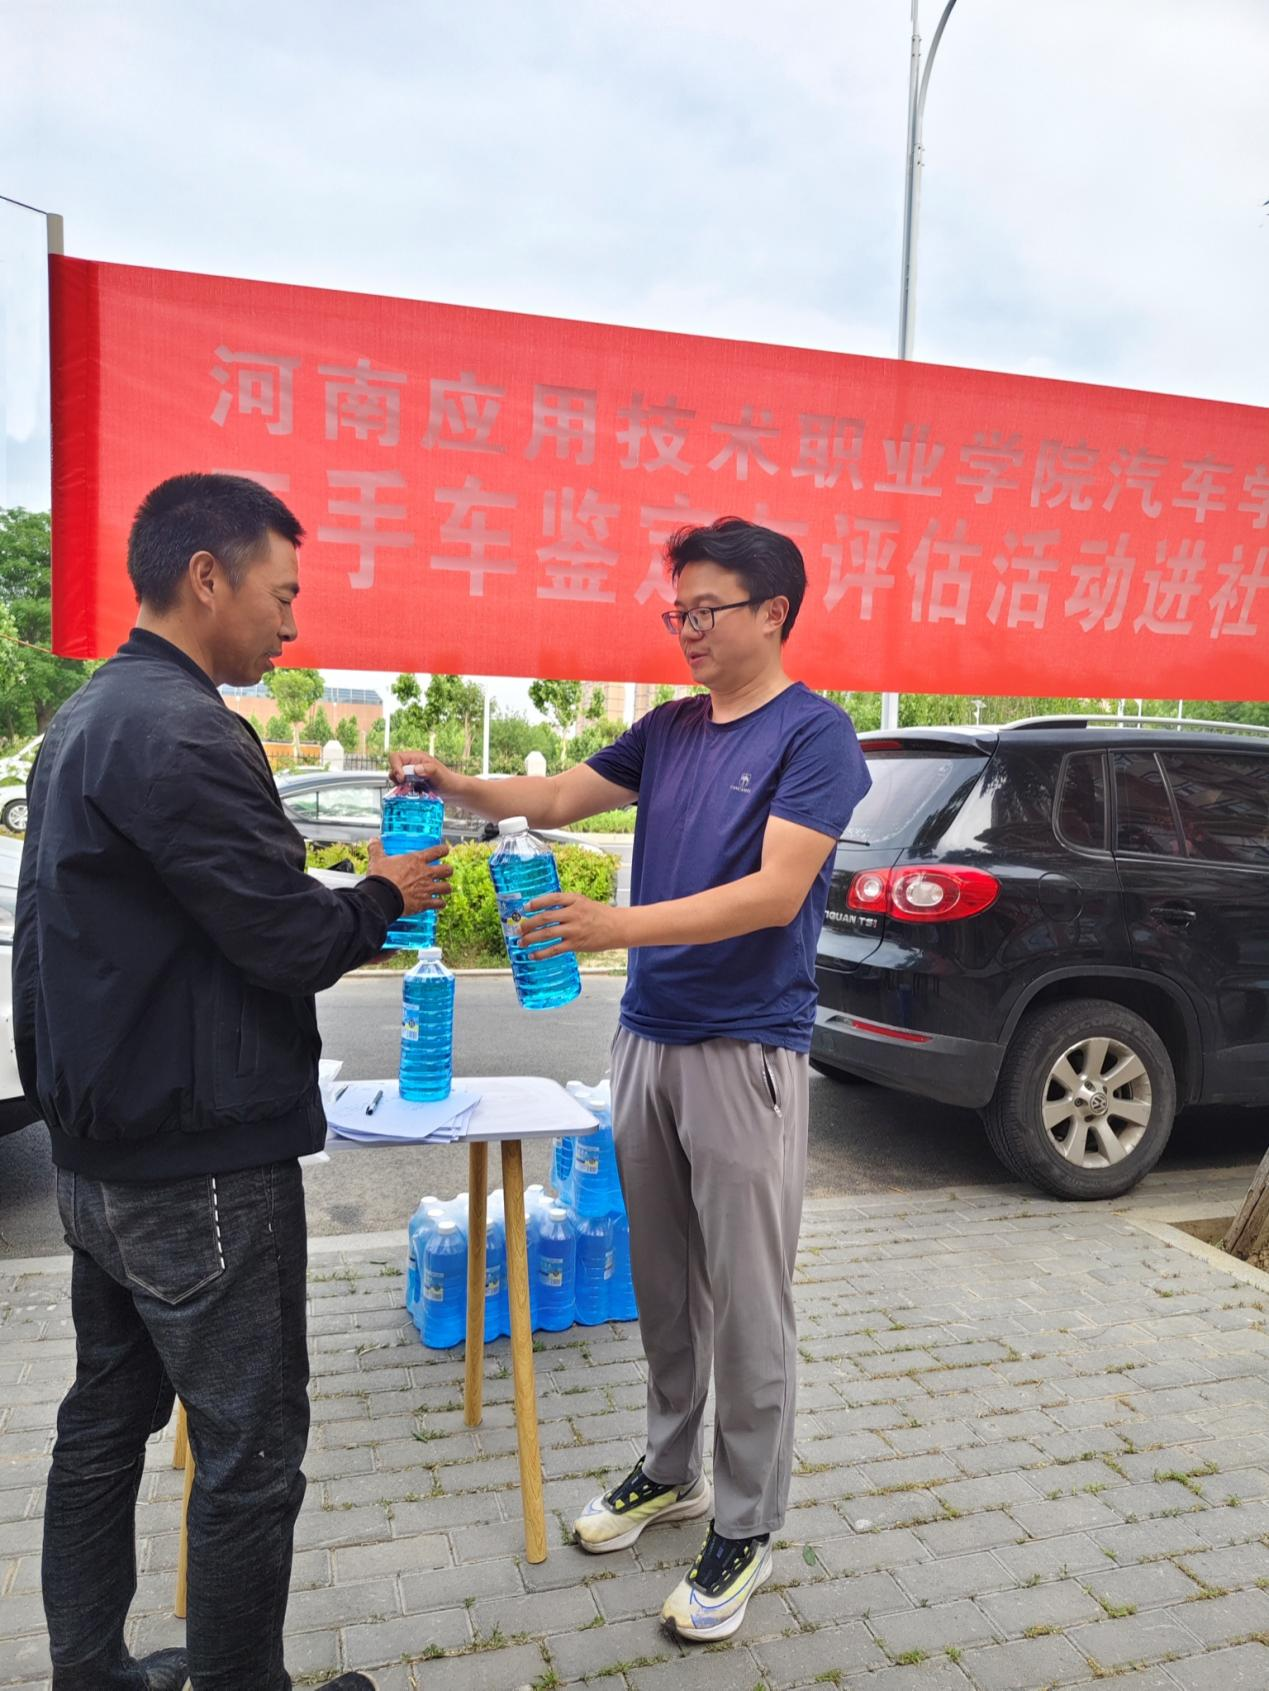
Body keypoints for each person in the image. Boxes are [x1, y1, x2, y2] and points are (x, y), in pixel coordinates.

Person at [390, 517, 870, 1642]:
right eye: (676, 611)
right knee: (663, 1283)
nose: (687, 630)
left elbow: (773, 892)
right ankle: (670, 1466)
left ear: (773, 612)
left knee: (748, 1301)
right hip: (646, 1040)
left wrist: (615, 925)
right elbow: (558, 795)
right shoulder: (671, 727)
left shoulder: (816, 734)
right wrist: (456, 782)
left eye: (707, 609)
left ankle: (745, 1520)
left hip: (746, 1048)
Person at [16, 474, 452, 1691]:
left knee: (105, 1422)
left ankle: (89, 1671)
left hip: (100, 1157)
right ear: (207, 576)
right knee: (249, 1455)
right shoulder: (188, 730)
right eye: (283, 593)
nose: (292, 625)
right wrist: (382, 894)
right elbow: (287, 938)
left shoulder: (90, 715)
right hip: (199, 1165)